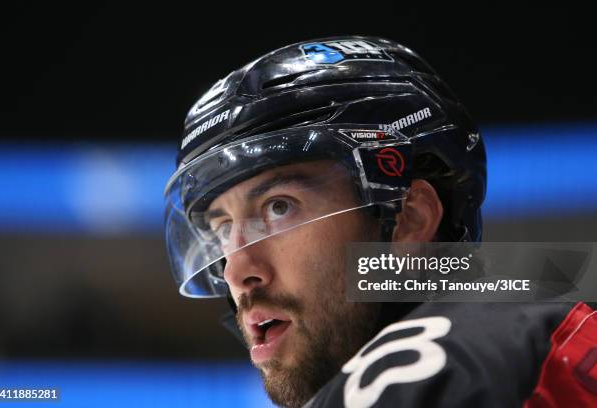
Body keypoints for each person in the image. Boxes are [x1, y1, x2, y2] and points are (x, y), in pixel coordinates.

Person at [163, 36, 597, 407]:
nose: (237, 272)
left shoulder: (425, 371)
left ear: (409, 218)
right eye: (222, 229)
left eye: (279, 208)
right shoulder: (534, 326)